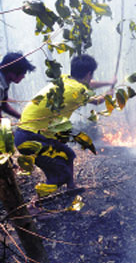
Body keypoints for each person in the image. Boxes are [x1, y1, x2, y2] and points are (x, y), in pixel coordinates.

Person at [14, 54, 116, 193]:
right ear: (88, 74)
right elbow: (97, 101)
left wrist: (109, 82)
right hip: (31, 138)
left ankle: (71, 187)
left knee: (68, 154)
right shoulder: (78, 91)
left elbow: (88, 84)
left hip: (26, 132)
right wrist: (110, 93)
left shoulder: (65, 79)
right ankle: (35, 205)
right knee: (60, 174)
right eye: (91, 75)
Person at [0, 52, 36, 120]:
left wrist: (22, 118)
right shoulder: (0, 86)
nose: (23, 77)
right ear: (12, 72)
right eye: (23, 73)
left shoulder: (5, 81)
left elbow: (4, 105)